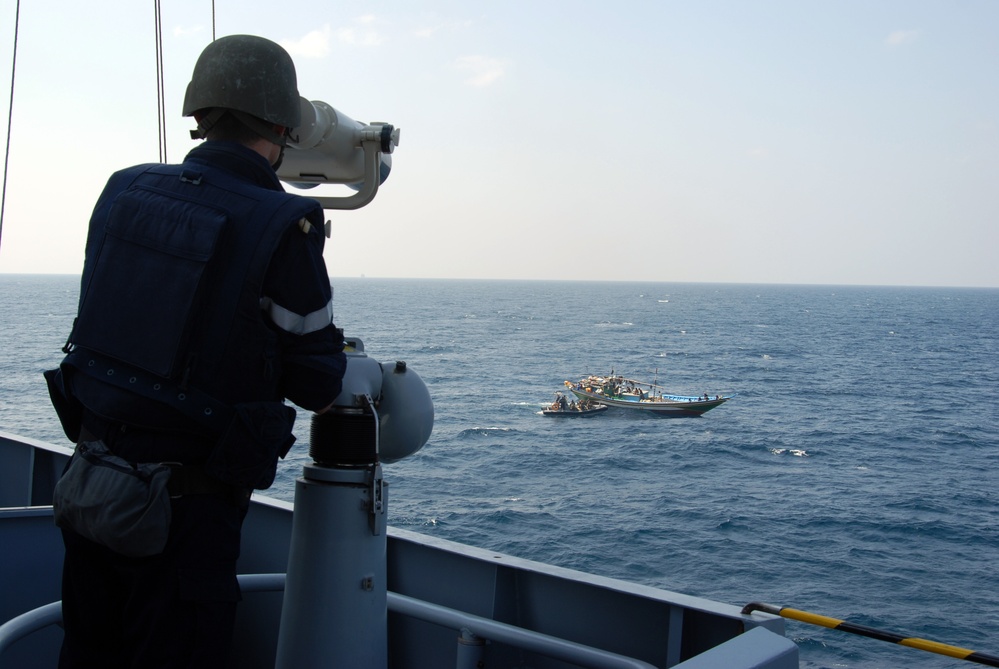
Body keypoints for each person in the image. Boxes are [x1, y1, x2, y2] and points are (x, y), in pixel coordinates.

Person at [44, 35, 347, 668]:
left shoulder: (123, 189)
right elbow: (318, 382)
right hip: (182, 519)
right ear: (283, 125)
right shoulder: (284, 223)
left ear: (200, 114)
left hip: (91, 490)